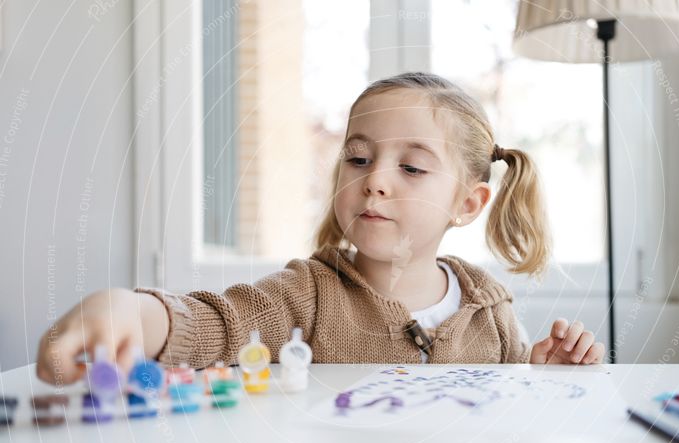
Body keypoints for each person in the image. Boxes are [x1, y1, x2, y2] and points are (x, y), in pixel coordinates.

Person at [36, 72, 604, 386]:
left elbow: (511, 421)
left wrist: (541, 379)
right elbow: (221, 323)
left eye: (410, 166)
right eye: (358, 159)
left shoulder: (491, 312)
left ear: (468, 203)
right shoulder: (304, 295)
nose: (375, 180)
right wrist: (139, 313)